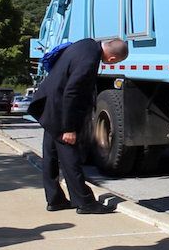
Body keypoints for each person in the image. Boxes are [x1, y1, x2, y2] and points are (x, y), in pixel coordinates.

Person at [28, 38, 129, 214]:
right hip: (60, 110)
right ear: (112, 59)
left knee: (50, 155)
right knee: (70, 156)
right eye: (116, 62)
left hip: (49, 104)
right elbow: (72, 92)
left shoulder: (86, 44)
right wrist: (68, 128)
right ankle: (85, 202)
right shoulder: (90, 59)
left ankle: (55, 199)